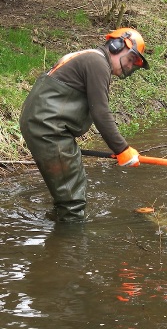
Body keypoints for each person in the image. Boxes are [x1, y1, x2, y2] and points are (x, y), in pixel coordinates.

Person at [20, 28, 150, 222]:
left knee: (71, 186)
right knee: (73, 202)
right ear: (116, 46)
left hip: (47, 125)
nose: (129, 66)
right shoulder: (97, 63)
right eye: (130, 59)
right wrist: (122, 149)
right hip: (49, 128)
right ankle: (70, 246)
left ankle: (56, 228)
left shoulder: (90, 58)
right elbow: (100, 112)